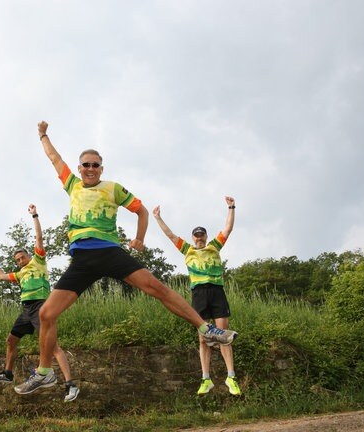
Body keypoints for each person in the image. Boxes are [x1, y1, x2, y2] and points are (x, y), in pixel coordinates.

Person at [13, 121, 237, 395]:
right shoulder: (71, 184)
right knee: (47, 313)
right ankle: (45, 373)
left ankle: (206, 329)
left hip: (110, 252)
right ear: (80, 167)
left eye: (96, 165)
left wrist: (140, 238)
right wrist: (43, 135)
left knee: (157, 288)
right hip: (82, 260)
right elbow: (53, 157)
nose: (91, 169)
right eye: (86, 164)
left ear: (102, 169)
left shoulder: (113, 188)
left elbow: (141, 211)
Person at [0, 204, 80, 402]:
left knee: (52, 347)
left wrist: (35, 216)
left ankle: (70, 385)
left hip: (41, 307)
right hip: (26, 310)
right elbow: (2, 276)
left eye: (22, 257)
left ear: (29, 256)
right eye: (18, 259)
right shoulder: (20, 274)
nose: (20, 261)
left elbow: (39, 238)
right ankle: (8, 373)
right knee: (11, 340)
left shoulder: (38, 261)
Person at [153, 198, 241, 396]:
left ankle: (231, 377)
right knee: (203, 338)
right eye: (196, 235)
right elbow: (170, 235)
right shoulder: (187, 249)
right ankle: (206, 379)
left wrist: (231, 207)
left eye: (202, 235)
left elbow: (228, 228)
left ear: (206, 236)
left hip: (217, 291)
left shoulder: (214, 247)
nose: (199, 238)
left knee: (223, 335)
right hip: (199, 294)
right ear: (193, 238)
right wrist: (158, 218)